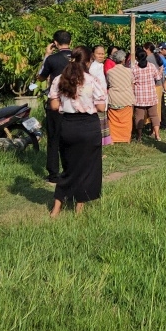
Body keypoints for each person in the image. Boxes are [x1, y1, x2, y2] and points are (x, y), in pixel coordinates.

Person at [46, 47, 106, 217]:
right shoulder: (92, 80)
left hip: (68, 126)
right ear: (88, 62)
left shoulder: (60, 78)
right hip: (88, 126)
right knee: (88, 168)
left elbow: (54, 105)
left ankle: (56, 208)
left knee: (68, 167)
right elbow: (101, 107)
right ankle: (79, 210)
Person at [37, 30, 73, 184]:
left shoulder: (52, 59)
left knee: (54, 138)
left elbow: (41, 76)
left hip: (56, 102)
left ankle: (53, 174)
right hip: (75, 103)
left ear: (55, 43)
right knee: (71, 138)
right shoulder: (78, 57)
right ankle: (70, 170)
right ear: (70, 42)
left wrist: (46, 54)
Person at [131, 49, 161, 141]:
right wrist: (160, 71)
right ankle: (157, 135)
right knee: (154, 116)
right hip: (151, 96)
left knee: (139, 117)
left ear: (136, 58)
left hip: (139, 97)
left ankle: (139, 136)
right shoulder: (151, 66)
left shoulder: (134, 68)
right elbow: (158, 77)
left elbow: (131, 82)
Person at [106, 49, 134, 143]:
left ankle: (113, 138)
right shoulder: (129, 71)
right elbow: (132, 83)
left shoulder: (110, 72)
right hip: (126, 98)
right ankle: (126, 138)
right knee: (126, 120)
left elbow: (108, 83)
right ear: (123, 60)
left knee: (113, 120)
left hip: (114, 99)